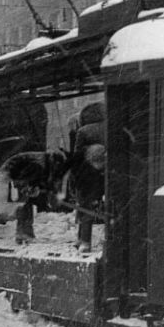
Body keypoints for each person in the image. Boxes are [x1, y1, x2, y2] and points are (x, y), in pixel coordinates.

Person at [71, 102, 106, 253]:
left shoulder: (83, 131)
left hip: (88, 174)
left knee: (85, 206)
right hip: (106, 172)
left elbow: (77, 156)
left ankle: (84, 240)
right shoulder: (109, 128)